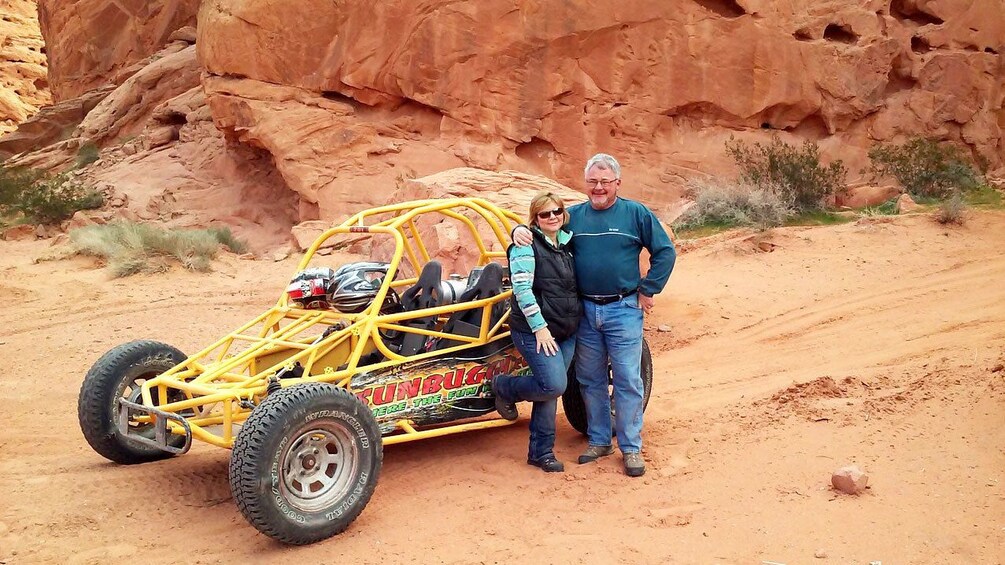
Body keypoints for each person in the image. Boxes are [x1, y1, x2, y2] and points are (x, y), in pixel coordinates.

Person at [513, 153, 676, 477]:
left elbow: (664, 251)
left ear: (617, 182)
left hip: (623, 309)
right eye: (592, 182)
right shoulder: (574, 216)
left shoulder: (635, 214)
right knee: (589, 379)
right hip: (584, 311)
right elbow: (543, 227)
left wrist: (648, 288)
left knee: (628, 380)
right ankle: (600, 440)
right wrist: (520, 229)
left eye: (604, 181)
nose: (598, 188)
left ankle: (630, 448)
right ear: (585, 184)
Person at [491, 192, 582, 473]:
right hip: (536, 331)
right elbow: (521, 290)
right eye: (544, 214)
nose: (552, 217)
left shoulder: (567, 243)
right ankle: (503, 387)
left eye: (556, 211)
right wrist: (540, 329)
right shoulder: (525, 246)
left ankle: (540, 452)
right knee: (554, 385)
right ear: (535, 219)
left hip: (567, 329)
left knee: (548, 391)